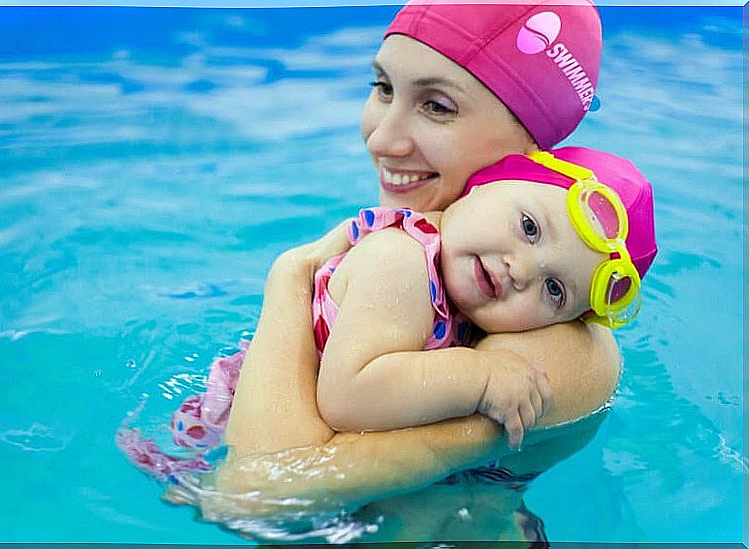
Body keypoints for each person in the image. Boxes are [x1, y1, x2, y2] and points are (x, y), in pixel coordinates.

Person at [120, 0, 640, 543]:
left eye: (437, 106)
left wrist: (290, 281)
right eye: (383, 88)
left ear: (530, 152)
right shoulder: (431, 258)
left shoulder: (554, 349)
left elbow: (261, 495)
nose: (380, 140)